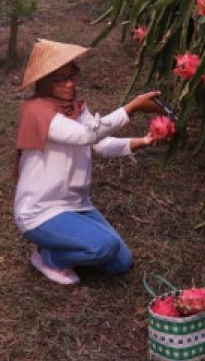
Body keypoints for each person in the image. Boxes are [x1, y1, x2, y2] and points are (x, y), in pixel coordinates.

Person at [14, 38, 166, 285]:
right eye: (60, 79)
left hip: (76, 205)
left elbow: (100, 144)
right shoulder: (37, 110)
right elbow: (85, 135)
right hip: (41, 211)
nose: (70, 84)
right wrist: (132, 107)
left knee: (121, 263)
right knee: (104, 247)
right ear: (43, 83)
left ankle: (73, 247)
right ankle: (48, 257)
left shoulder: (74, 107)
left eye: (72, 76)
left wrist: (143, 141)